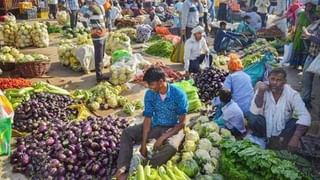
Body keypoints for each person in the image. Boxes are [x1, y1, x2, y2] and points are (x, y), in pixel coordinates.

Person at [115, 67, 188, 180]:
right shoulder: (150, 94)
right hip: (155, 125)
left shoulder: (178, 95)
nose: (149, 87)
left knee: (172, 147)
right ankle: (123, 166)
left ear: (161, 81)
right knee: (127, 132)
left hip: (172, 128)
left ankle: (143, 167)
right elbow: (148, 119)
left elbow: (182, 122)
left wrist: (163, 137)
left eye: (152, 84)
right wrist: (143, 144)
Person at [247, 68, 311, 150]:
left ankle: (281, 141)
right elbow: (254, 110)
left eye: (279, 80)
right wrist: (260, 93)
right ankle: (263, 138)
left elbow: (305, 116)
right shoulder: (263, 89)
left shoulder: (292, 94)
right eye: (272, 79)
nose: (274, 83)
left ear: (284, 82)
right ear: (268, 79)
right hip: (264, 128)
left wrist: (296, 137)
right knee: (253, 117)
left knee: (296, 123)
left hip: (283, 130)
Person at [290, 0, 318, 69]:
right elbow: (297, 22)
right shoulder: (301, 13)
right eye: (307, 6)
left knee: (305, 50)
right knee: (297, 47)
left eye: (310, 6)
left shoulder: (315, 15)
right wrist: (294, 31)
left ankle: (302, 65)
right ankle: (294, 64)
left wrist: (308, 15)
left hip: (309, 33)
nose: (308, 7)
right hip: (299, 32)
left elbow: (314, 23)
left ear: (312, 7)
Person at [87, 0, 108, 82]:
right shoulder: (92, 7)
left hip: (103, 34)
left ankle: (101, 73)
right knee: (98, 56)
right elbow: (83, 18)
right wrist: (89, 29)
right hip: (97, 36)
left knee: (102, 55)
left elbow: (102, 19)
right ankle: (99, 76)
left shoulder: (101, 7)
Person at [301, 20, 320, 109]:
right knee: (306, 79)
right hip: (312, 55)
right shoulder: (316, 23)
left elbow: (312, 37)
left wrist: (310, 36)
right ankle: (305, 100)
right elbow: (307, 33)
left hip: (318, 57)